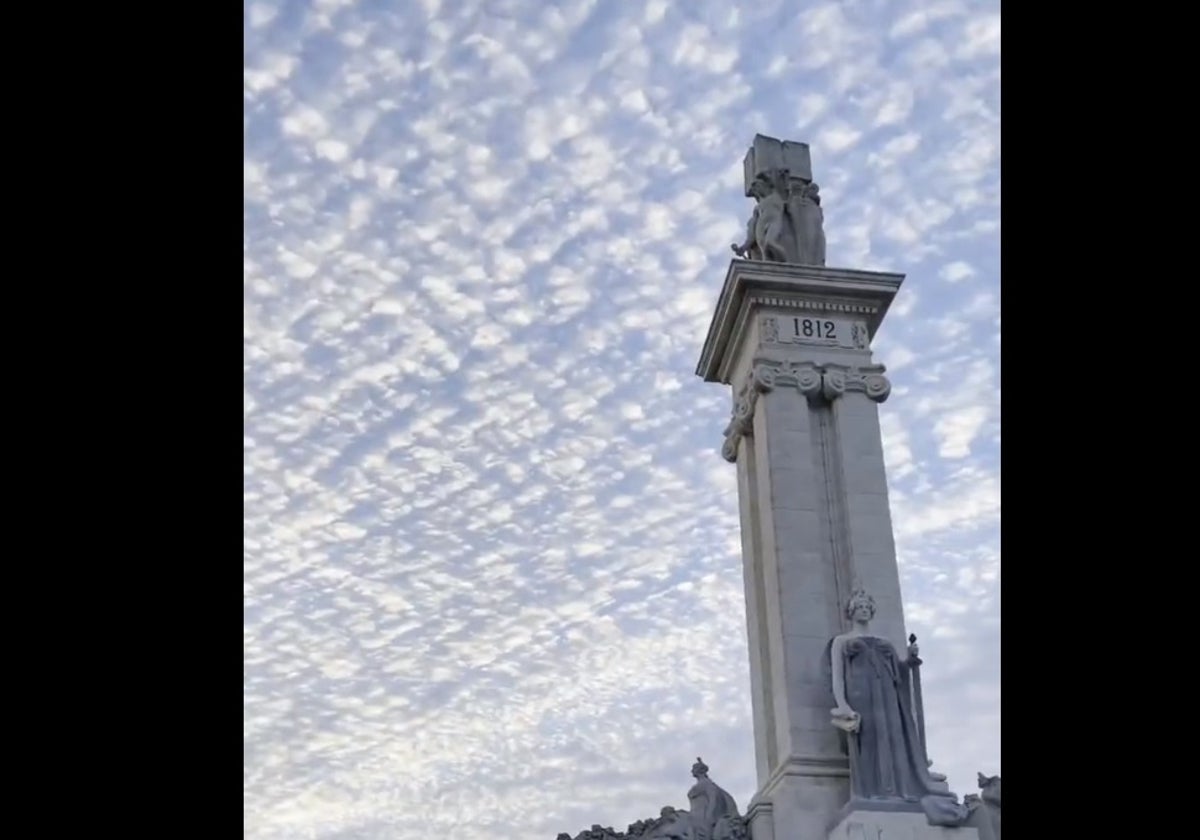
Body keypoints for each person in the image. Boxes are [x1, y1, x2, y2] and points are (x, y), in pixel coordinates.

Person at [828, 588, 969, 825]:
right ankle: (871, 791)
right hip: (860, 697)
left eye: (866, 607)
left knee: (894, 739)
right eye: (859, 607)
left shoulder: (885, 642)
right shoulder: (841, 641)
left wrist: (910, 661)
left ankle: (898, 790)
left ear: (871, 611)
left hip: (888, 697)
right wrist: (843, 705)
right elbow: (837, 677)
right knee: (869, 741)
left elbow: (899, 673)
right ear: (851, 612)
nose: (863, 610)